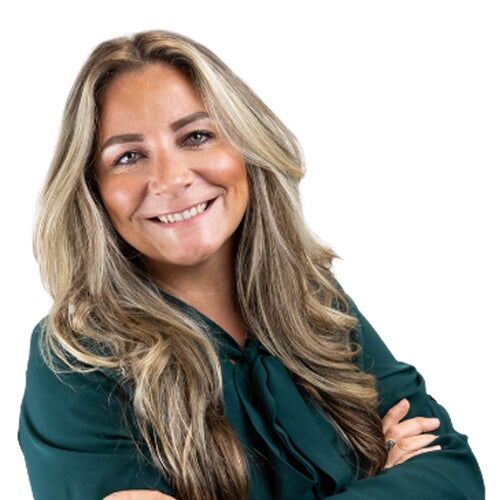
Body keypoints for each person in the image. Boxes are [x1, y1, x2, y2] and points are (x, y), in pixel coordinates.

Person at [17, 29, 485, 500]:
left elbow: (452, 472)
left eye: (197, 136)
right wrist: (386, 481)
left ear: (245, 147)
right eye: (129, 156)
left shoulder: (313, 300)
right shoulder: (75, 360)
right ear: (93, 190)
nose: (171, 179)